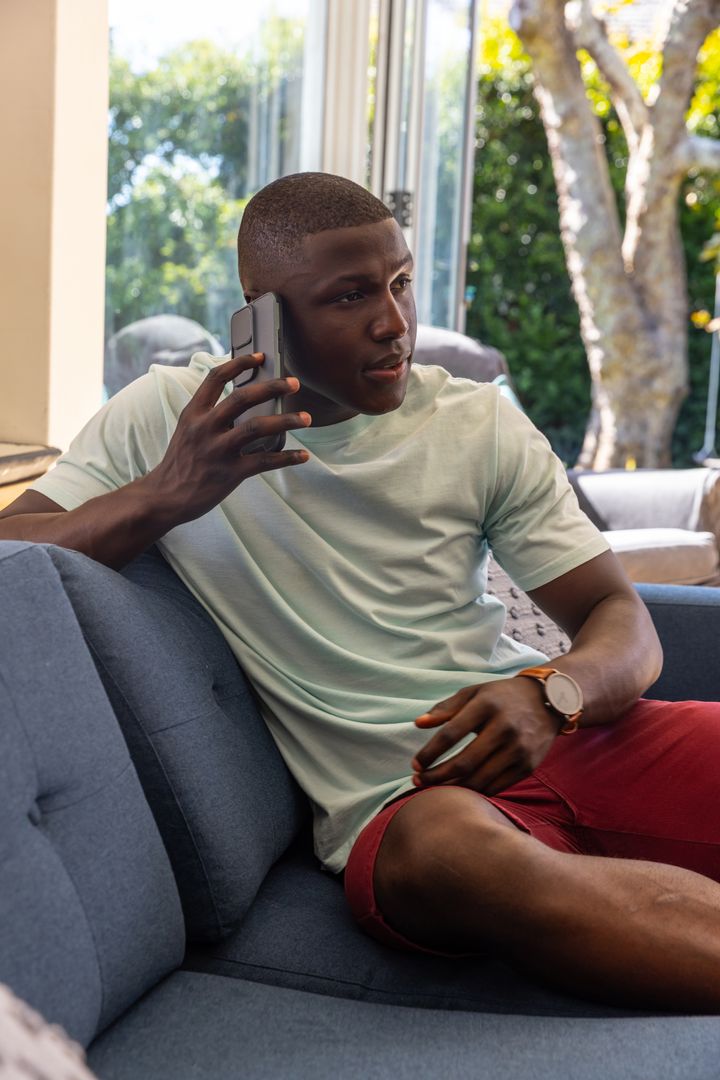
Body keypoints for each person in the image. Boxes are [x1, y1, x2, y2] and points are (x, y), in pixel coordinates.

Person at [2, 172, 719, 1013]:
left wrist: (550, 693)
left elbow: (619, 617)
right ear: (263, 314)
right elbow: (13, 548)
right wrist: (165, 494)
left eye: (400, 282)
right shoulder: (173, 416)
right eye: (350, 296)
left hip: (557, 732)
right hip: (409, 804)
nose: (394, 322)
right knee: (453, 857)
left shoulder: (476, 422)